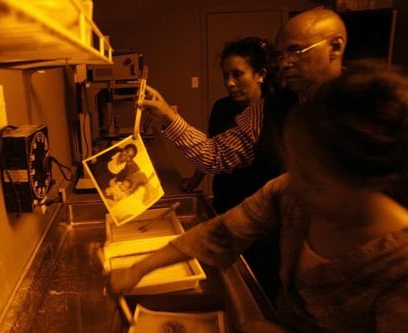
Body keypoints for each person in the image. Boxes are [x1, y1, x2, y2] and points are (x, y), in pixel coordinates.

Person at [108, 64, 408, 333]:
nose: (296, 183)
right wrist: (139, 269)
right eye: (296, 165)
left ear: (366, 180)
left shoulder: (398, 264)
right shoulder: (290, 190)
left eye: (312, 178)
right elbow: (221, 232)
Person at [141, 8, 347, 299]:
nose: (285, 63)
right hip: (280, 250)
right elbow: (215, 155)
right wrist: (166, 115)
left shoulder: (368, 103)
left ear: (335, 47)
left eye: (296, 51)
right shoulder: (267, 110)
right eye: (281, 54)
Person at [179, 37, 276, 214]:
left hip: (258, 207)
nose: (230, 83)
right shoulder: (221, 107)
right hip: (225, 198)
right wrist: (196, 179)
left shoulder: (272, 112)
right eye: (226, 75)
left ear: (260, 74)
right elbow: (212, 147)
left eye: (237, 74)